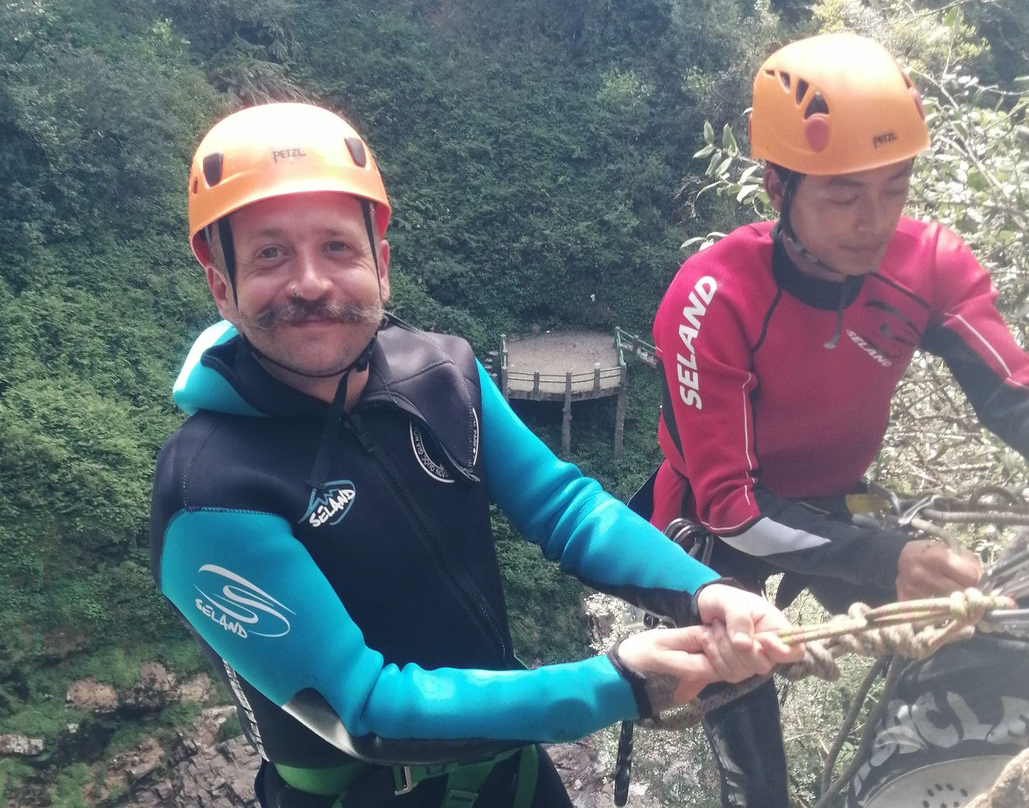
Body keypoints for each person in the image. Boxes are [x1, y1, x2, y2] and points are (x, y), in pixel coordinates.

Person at [149, 102, 803, 808]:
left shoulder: (442, 374)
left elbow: (564, 509)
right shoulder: (210, 493)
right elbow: (363, 707)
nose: (311, 282)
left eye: (338, 247)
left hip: (511, 775)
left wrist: (705, 592)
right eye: (271, 254)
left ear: (382, 264)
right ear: (223, 285)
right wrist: (615, 683)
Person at [647, 32, 1029, 808]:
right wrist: (885, 558)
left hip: (834, 502)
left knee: (985, 644)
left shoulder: (928, 265)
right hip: (715, 533)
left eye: (895, 187)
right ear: (776, 188)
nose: (875, 220)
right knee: (755, 784)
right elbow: (732, 505)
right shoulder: (712, 297)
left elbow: (1011, 393)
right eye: (844, 195)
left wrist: (884, 557)